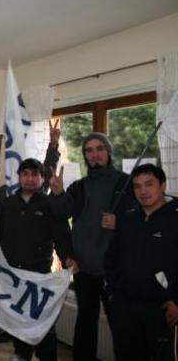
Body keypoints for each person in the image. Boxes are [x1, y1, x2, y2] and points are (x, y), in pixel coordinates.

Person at [48, 132, 135, 361]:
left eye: (99, 149)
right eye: (89, 150)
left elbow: (141, 220)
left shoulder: (126, 183)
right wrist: (57, 193)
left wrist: (120, 222)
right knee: (86, 323)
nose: (94, 154)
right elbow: (63, 211)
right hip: (84, 267)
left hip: (115, 269)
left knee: (121, 327)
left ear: (108, 152)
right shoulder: (79, 186)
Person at [0, 158, 78, 361]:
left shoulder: (50, 204)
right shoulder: (7, 204)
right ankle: (21, 353)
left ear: (42, 179)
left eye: (35, 175)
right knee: (19, 320)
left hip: (40, 275)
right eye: (25, 174)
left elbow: (61, 236)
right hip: (13, 275)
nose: (29, 179)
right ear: (19, 177)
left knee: (43, 321)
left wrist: (68, 257)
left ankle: (47, 357)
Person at [105, 164, 178, 361]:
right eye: (137, 186)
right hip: (124, 307)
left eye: (149, 184)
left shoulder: (174, 219)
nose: (143, 191)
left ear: (162, 186)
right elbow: (112, 257)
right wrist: (113, 292)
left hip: (161, 309)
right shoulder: (128, 218)